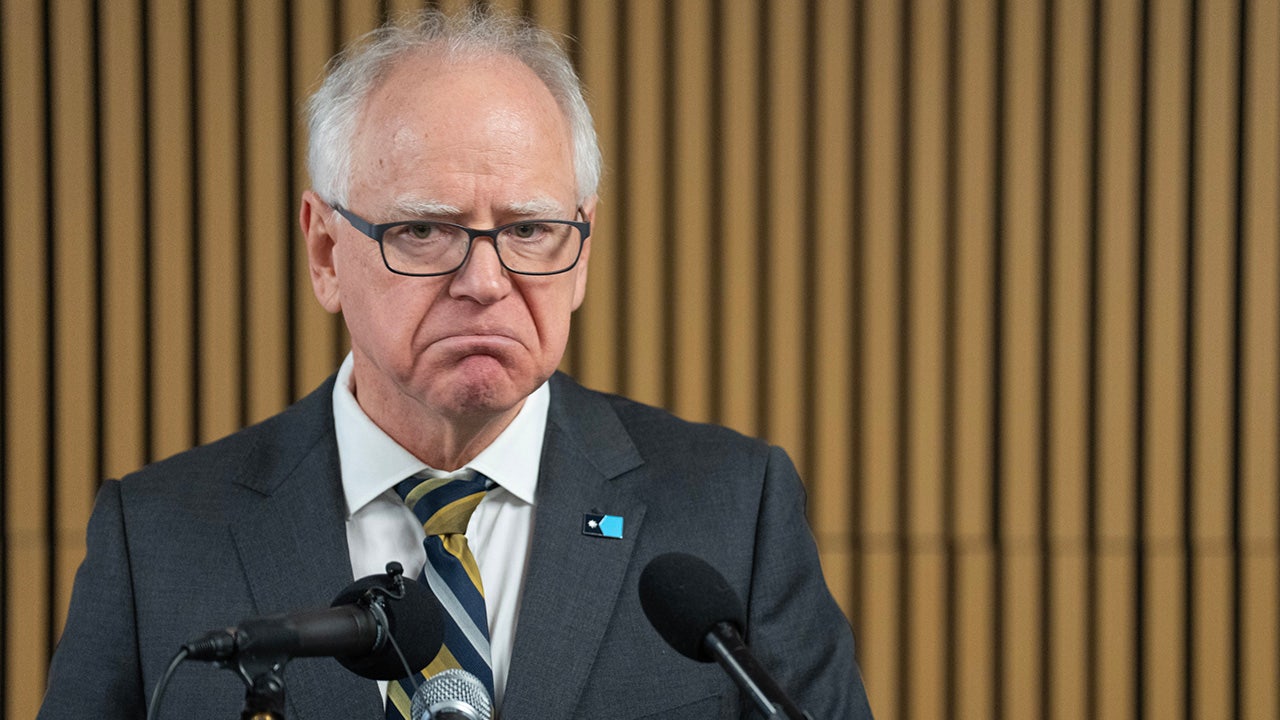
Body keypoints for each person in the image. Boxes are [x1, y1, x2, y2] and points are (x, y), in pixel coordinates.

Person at [39, 8, 873, 720]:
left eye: (529, 230)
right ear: (325, 251)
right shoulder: (158, 541)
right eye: (424, 231)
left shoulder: (732, 515)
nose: (485, 282)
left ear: (582, 250)